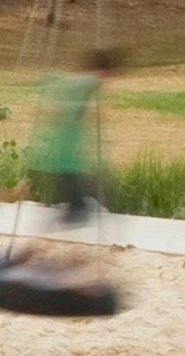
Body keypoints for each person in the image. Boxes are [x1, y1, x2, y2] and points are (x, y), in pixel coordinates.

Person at [24, 48, 121, 224]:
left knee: (76, 200)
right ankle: (69, 217)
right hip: (68, 156)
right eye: (108, 74)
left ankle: (70, 214)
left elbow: (54, 81)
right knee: (78, 203)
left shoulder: (80, 84)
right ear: (103, 71)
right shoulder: (87, 83)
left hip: (67, 155)